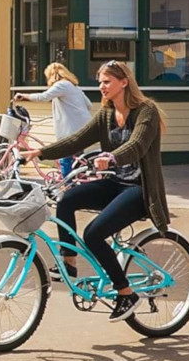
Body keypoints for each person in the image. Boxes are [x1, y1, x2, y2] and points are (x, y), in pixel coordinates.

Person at [20, 60, 169, 322]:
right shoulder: (107, 114)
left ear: (124, 82)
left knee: (94, 234)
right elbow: (76, 140)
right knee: (67, 199)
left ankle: (125, 293)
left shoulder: (147, 111)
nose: (102, 86)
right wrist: (40, 152)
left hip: (139, 189)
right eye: (100, 81)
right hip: (115, 184)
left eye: (107, 81)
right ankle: (70, 262)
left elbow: (137, 145)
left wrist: (111, 157)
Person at [14, 62, 91, 177]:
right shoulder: (74, 86)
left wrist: (24, 96)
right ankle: (78, 184)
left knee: (65, 157)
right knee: (77, 159)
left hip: (71, 130)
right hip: (84, 127)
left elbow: (43, 97)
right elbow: (89, 104)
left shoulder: (61, 85)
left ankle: (67, 187)